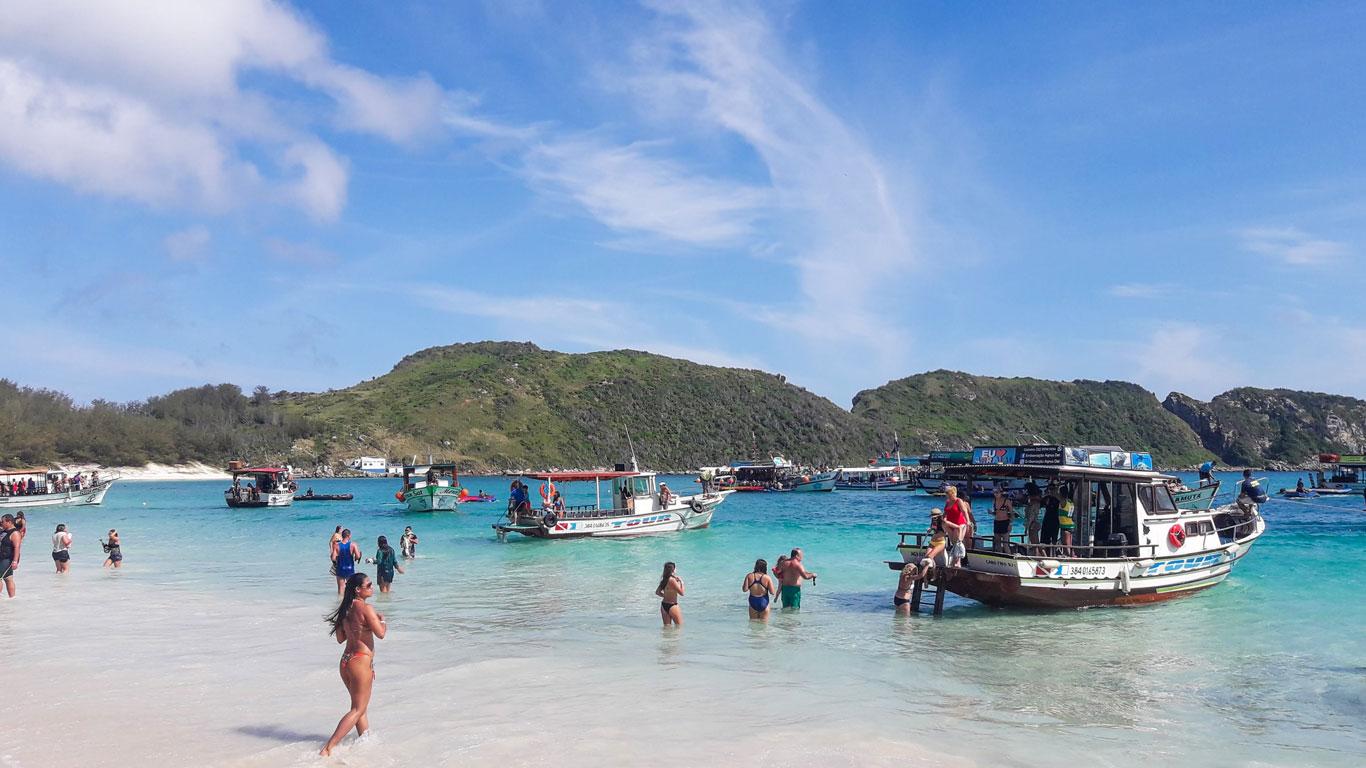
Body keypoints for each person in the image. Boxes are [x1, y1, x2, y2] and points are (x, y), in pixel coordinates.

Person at [321, 573, 387, 757]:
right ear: (358, 589)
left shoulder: (345, 609)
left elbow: (340, 639)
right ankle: (328, 749)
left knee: (360, 707)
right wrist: (382, 619)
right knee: (358, 709)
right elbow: (381, 634)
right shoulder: (366, 609)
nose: (372, 587)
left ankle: (365, 744)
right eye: (369, 585)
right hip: (360, 662)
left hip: (345, 662)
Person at [942, 485, 972, 566]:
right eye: (946, 493)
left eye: (948, 493)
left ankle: (957, 562)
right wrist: (943, 518)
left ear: (952, 493)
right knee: (953, 543)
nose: (946, 495)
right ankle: (955, 562)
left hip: (959, 524)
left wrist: (968, 522)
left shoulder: (958, 501)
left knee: (957, 543)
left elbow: (965, 512)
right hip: (950, 524)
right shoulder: (948, 502)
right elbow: (945, 512)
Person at [333, 529, 360, 595]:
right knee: (351, 588)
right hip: (350, 569)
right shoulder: (353, 545)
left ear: (342, 536)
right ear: (349, 535)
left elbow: (333, 558)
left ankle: (340, 603)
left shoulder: (337, 545)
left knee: (341, 588)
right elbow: (358, 556)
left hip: (340, 568)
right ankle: (350, 603)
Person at [656, 561, 684, 627]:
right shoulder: (672, 580)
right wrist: (681, 582)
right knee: (679, 627)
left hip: (663, 605)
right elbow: (682, 593)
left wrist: (666, 596)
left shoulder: (665, 579)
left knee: (667, 628)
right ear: (673, 569)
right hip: (672, 605)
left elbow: (657, 592)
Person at [1, 514, 21, 598]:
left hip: (7, 559)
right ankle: (12, 598)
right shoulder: (3, 531)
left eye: (3, 522)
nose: (1, 523)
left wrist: (15, 561)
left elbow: (17, 548)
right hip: (1, 558)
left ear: (9, 522)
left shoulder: (15, 533)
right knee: (8, 578)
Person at [991, 487, 1015, 552]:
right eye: (994, 493)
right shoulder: (994, 501)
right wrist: (991, 513)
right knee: (998, 543)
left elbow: (1012, 513)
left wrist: (1010, 524)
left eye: (997, 492)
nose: (995, 494)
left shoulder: (1007, 501)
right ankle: (1000, 557)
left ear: (1001, 493)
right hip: (997, 522)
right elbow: (996, 513)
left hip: (1005, 522)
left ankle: (1009, 558)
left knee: (1005, 543)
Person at [1023, 480, 1043, 546]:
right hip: (1034, 523)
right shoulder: (1036, 502)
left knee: (1035, 544)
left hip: (1033, 524)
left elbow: (1031, 517)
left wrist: (1026, 529)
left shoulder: (1033, 503)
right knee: (1036, 544)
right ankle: (1040, 555)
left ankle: (1041, 555)